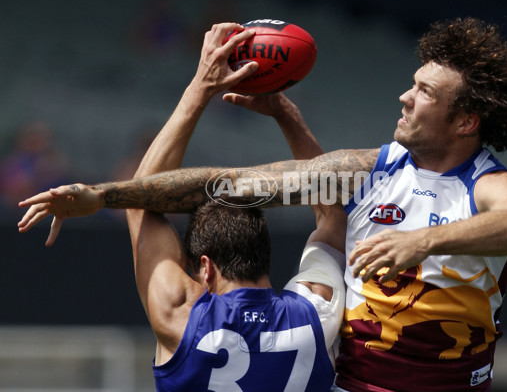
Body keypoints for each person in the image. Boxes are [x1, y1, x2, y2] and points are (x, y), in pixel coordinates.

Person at [19, 17, 507, 391]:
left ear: (465, 122)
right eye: (412, 84)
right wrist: (104, 195)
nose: (405, 97)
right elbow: (230, 185)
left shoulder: (488, 186)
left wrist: (422, 240)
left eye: (426, 92)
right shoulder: (369, 171)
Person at [20, 23, 346, 391]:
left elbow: (141, 202)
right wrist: (284, 110)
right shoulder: (319, 312)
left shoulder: (180, 317)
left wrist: (201, 86)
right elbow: (331, 209)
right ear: (264, 251)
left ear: (204, 268)